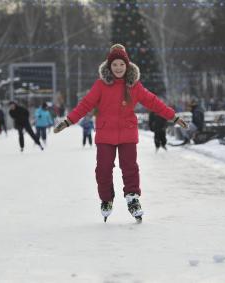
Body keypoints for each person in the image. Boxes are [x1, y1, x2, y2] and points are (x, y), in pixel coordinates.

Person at [53, 44, 188, 222]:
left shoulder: (134, 86)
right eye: (115, 65)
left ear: (127, 66)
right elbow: (85, 104)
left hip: (128, 133)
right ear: (109, 66)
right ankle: (107, 199)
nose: (118, 68)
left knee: (130, 167)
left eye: (121, 65)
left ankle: (132, 198)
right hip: (105, 133)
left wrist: (173, 117)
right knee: (103, 169)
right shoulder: (101, 85)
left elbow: (153, 102)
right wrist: (68, 121)